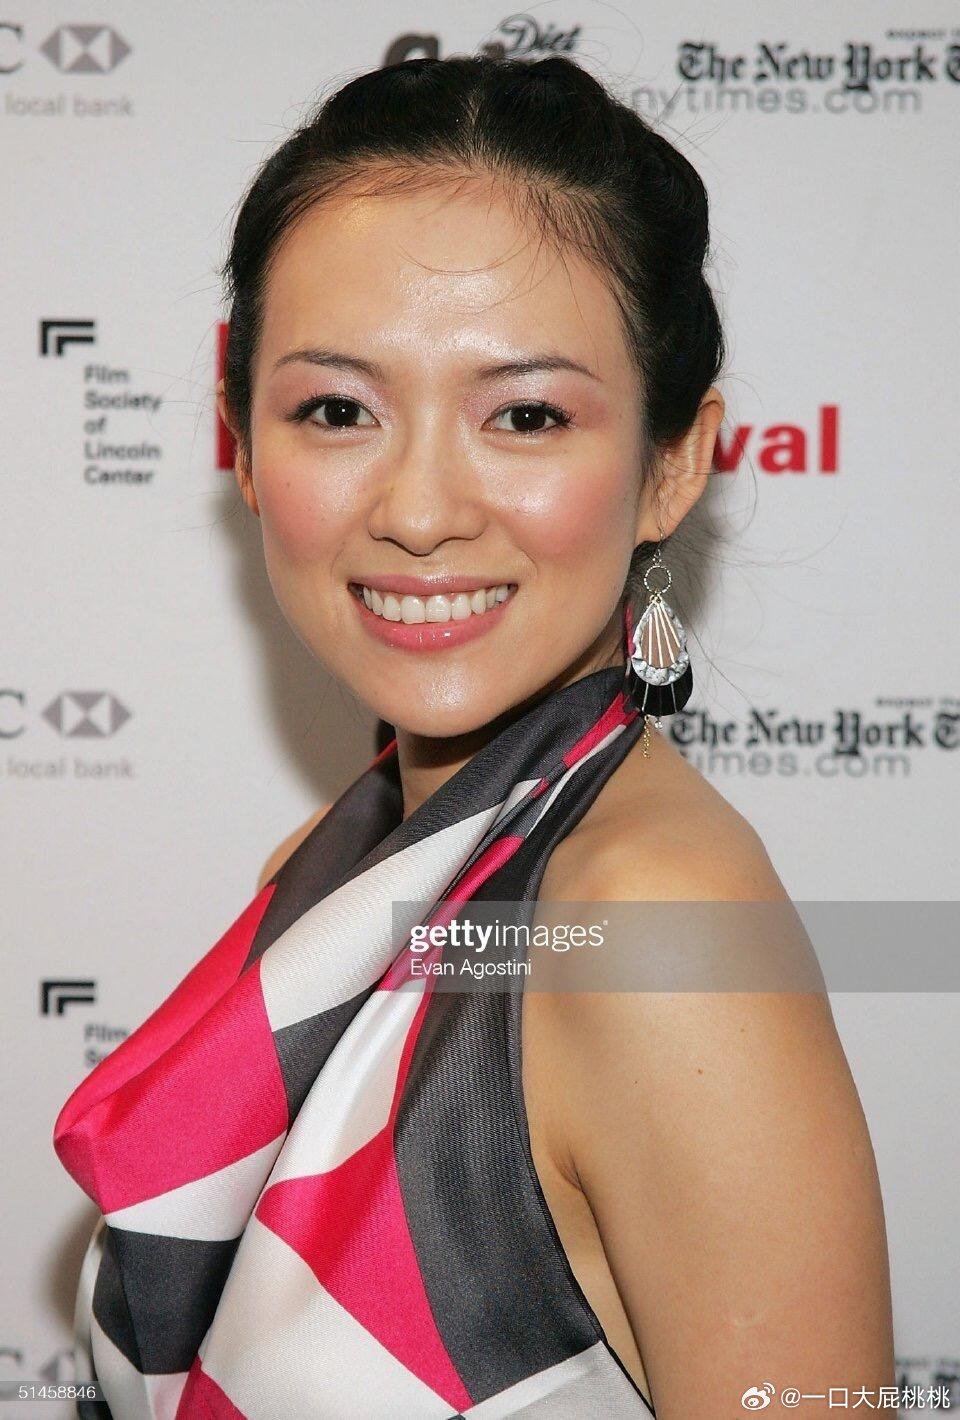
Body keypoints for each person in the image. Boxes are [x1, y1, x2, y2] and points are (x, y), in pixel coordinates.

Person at [54, 54, 895, 1418]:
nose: (421, 508)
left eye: (526, 415)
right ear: (242, 443)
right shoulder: (354, 865)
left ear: (672, 465)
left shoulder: (655, 931)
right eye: (338, 410)